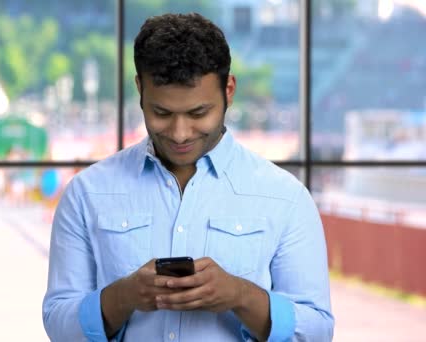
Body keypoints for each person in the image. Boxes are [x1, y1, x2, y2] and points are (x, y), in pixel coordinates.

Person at [43, 13, 333, 342]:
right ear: (139, 89)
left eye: (198, 113)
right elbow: (59, 325)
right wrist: (124, 296)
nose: (181, 134)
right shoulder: (87, 193)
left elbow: (317, 331)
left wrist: (240, 295)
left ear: (229, 90)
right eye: (162, 113)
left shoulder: (286, 198)